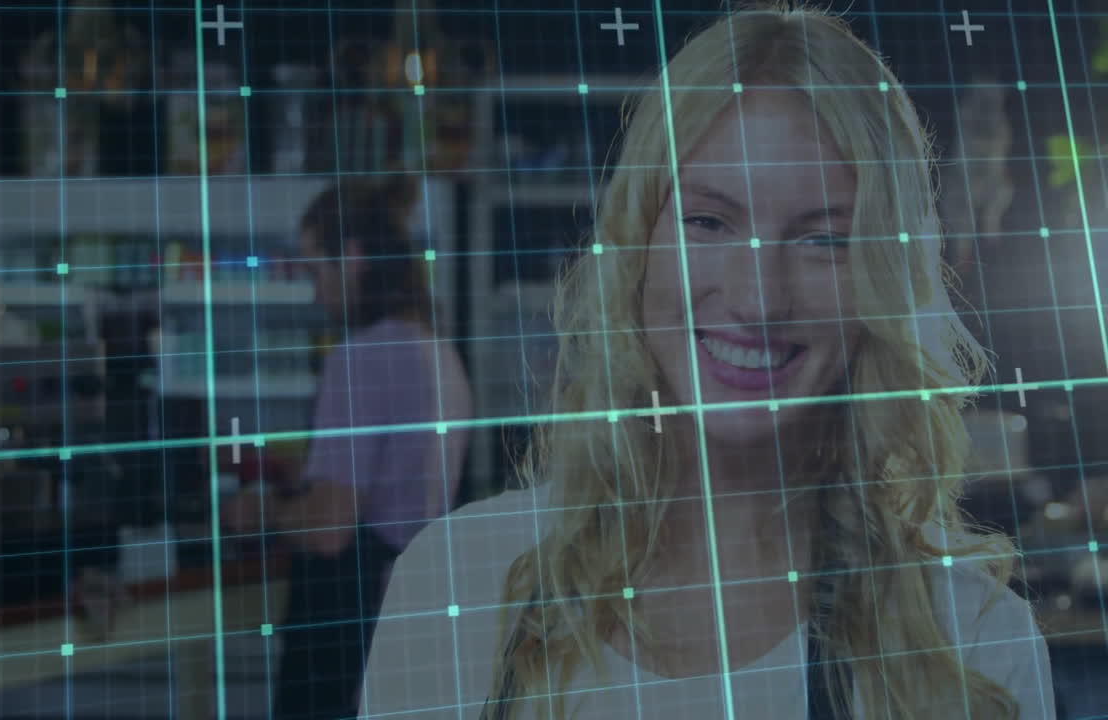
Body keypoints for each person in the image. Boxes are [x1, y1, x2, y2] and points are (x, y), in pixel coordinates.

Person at [362, 4, 1055, 720]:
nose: (758, 298)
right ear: (637, 247)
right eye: (709, 222)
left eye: (824, 240)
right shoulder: (455, 586)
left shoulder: (974, 650)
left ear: (883, 283)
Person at [222, 177, 474, 720]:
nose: (315, 292)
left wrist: (260, 509)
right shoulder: (440, 352)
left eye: (316, 270)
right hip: (416, 623)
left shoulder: (359, 356)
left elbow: (330, 529)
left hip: (351, 631)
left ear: (353, 258)